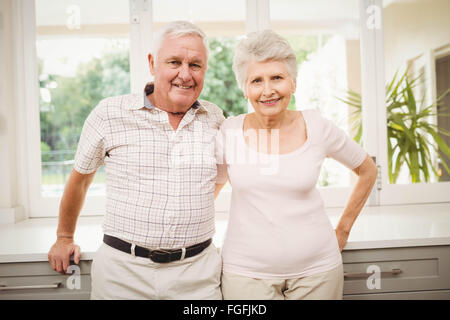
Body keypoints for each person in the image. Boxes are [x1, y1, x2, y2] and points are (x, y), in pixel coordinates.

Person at [48, 21, 225, 300]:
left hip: (197, 275)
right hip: (123, 274)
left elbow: (219, 177)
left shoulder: (214, 118)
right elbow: (80, 180)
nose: (185, 74)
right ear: (153, 63)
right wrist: (64, 238)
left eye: (195, 65)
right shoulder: (109, 113)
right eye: (174, 62)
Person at [214, 30, 378, 300]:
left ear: (293, 82)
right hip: (246, 274)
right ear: (245, 88)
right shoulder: (229, 132)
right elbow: (211, 190)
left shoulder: (316, 126)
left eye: (277, 77)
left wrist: (343, 230)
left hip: (317, 273)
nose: (268, 90)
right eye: (257, 80)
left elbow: (367, 169)